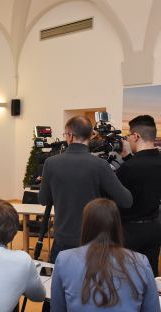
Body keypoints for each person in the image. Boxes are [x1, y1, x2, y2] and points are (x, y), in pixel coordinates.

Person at [39, 116, 132, 263]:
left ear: (69, 136)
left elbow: (43, 200)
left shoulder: (51, 163)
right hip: (93, 240)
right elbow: (126, 200)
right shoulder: (99, 165)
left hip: (63, 239)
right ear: (90, 136)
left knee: (61, 284)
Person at [51, 198, 160, 312]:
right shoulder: (141, 261)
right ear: (118, 226)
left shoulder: (64, 259)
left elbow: (57, 308)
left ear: (85, 225)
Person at [116, 115, 161, 276]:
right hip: (155, 227)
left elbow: (115, 197)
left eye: (129, 136)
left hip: (129, 231)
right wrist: (127, 157)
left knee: (127, 276)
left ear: (136, 136)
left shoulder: (128, 168)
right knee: (150, 274)